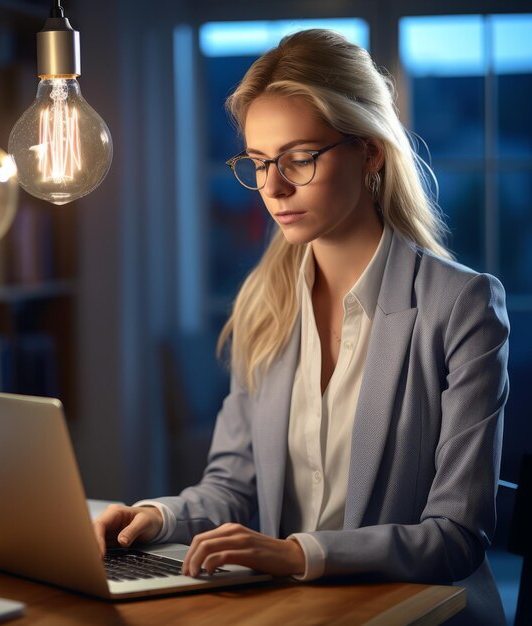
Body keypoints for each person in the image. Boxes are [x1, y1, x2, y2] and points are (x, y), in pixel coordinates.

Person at [94, 29, 509, 625]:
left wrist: (295, 555)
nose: (273, 188)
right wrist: (154, 518)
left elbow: (455, 536)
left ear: (371, 152)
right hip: (294, 612)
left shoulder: (462, 306)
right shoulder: (265, 303)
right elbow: (231, 489)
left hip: (416, 614)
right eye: (260, 163)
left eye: (299, 158)